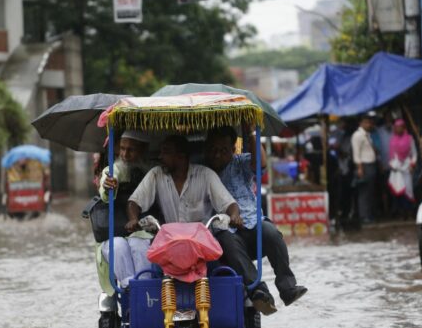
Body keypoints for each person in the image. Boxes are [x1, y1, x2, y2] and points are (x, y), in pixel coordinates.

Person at [126, 135, 278, 315]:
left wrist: (235, 216)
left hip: (202, 243)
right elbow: (134, 202)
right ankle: (149, 311)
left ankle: (233, 305)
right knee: (153, 270)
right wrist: (133, 218)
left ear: (181, 156)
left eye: (166, 153)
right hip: (169, 242)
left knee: (221, 273)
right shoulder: (156, 174)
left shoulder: (205, 175)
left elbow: (229, 204)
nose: (161, 157)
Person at [205, 126, 308, 310]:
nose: (218, 155)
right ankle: (258, 291)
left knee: (271, 232)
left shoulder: (239, 162)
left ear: (232, 149)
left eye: (224, 150)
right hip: (226, 233)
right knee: (228, 240)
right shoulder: (202, 171)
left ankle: (287, 288)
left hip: (252, 225)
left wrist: (252, 133)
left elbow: (260, 164)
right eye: (214, 150)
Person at [98, 130, 154, 288]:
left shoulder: (153, 171)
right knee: (116, 246)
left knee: (139, 243)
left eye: (131, 150)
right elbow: (107, 182)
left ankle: (144, 289)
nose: (125, 154)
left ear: (143, 150)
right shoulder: (114, 170)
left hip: (145, 231)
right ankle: (129, 291)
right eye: (122, 149)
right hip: (116, 231)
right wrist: (108, 184)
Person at [387, 119, 417, 218]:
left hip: (407, 168)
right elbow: (391, 156)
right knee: (398, 190)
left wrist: (412, 165)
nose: (398, 129)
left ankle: (410, 211)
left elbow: (414, 154)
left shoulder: (409, 138)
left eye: (400, 127)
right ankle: (402, 212)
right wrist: (392, 164)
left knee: (408, 190)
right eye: (396, 127)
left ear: (404, 128)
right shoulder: (392, 140)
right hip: (396, 169)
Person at [351, 115, 378, 224]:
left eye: (370, 123)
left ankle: (369, 214)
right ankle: (364, 216)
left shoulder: (368, 135)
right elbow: (356, 153)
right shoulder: (357, 135)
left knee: (370, 192)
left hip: (371, 165)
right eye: (366, 122)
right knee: (364, 192)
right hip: (364, 166)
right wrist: (360, 168)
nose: (369, 125)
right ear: (361, 123)